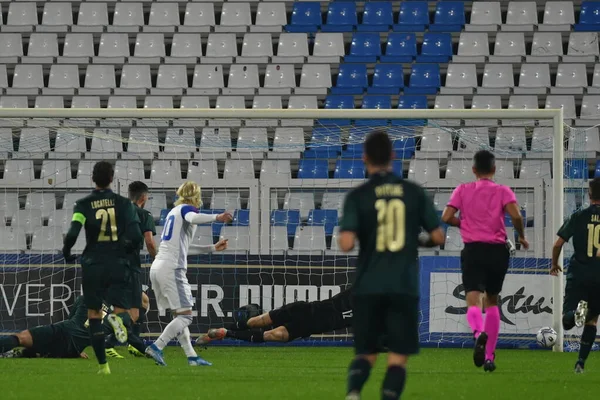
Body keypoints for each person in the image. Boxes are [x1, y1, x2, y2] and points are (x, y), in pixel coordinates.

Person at [338, 130, 445, 400]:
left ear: (364, 158)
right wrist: (413, 240)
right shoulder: (413, 192)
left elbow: (346, 243)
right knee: (397, 357)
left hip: (368, 286)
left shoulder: (358, 196)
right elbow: (438, 236)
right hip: (403, 286)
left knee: (367, 353)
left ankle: (353, 393)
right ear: (394, 156)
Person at [441, 150, 529, 372]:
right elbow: (516, 216)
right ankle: (489, 356)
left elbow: (446, 217)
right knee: (492, 301)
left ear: (473, 170)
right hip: (498, 251)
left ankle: (478, 334)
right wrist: (521, 236)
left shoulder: (463, 189)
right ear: (494, 169)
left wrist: (465, 224)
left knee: (473, 299)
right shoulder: (502, 191)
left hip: (473, 250)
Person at [62, 161, 143, 374]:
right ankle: (116, 319)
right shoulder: (124, 205)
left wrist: (67, 252)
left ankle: (103, 366)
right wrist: (124, 249)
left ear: (92, 179)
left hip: (93, 265)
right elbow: (136, 235)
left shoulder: (83, 204)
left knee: (94, 315)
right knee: (122, 310)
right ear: (111, 178)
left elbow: (72, 233)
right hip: (117, 264)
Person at [145, 181, 232, 367]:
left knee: (180, 316)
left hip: (158, 266)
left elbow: (182, 248)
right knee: (186, 316)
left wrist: (212, 248)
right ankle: (157, 346)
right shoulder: (186, 209)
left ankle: (192, 356)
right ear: (196, 196)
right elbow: (193, 217)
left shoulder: (172, 213)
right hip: (171, 268)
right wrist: (217, 217)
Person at [550, 178, 600, 373]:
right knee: (592, 320)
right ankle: (580, 362)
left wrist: (554, 264)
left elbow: (557, 244)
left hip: (578, 273)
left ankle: (574, 313)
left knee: (566, 321)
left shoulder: (578, 216)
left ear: (589, 194)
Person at [106, 181, 157, 359]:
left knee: (143, 301)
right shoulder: (144, 214)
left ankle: (132, 346)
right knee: (134, 313)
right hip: (130, 267)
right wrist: (157, 260)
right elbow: (150, 243)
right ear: (144, 197)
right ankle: (109, 343)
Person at [197, 288, 353, 345]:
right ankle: (217, 331)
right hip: (304, 309)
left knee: (273, 335)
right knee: (255, 321)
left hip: (308, 326)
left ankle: (225, 333)